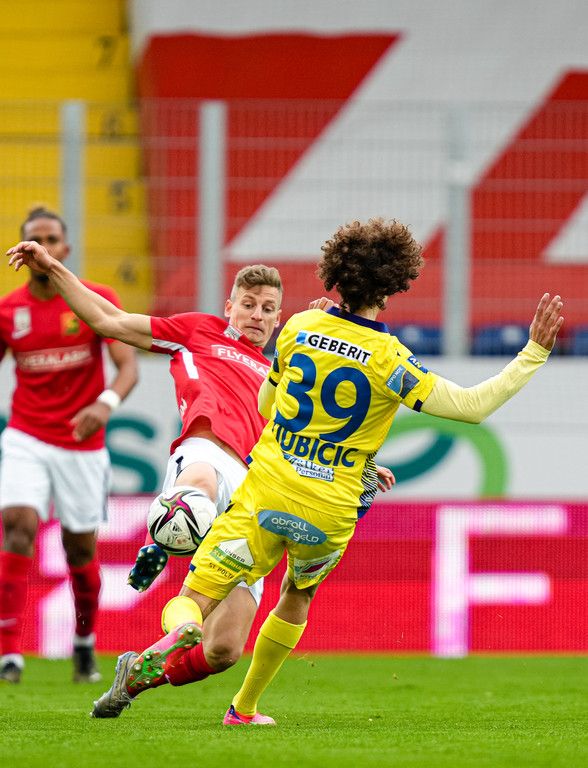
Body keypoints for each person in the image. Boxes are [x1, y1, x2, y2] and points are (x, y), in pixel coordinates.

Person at [81, 216, 562, 724]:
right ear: (393, 285)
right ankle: (244, 708)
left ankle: (177, 632)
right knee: (297, 593)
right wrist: (533, 352)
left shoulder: (299, 328)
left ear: (336, 275)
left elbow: (267, 405)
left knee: (194, 598)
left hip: (267, 493)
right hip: (329, 509)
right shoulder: (392, 360)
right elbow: (472, 406)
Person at [0, 207, 138, 684]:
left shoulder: (95, 299)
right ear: (21, 252)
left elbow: (128, 367)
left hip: (82, 443)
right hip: (26, 435)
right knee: (17, 526)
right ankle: (9, 653)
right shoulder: (8, 310)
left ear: (65, 249)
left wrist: (105, 404)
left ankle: (84, 642)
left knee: (79, 550)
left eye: (51, 239)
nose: (43, 246)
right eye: (34, 239)